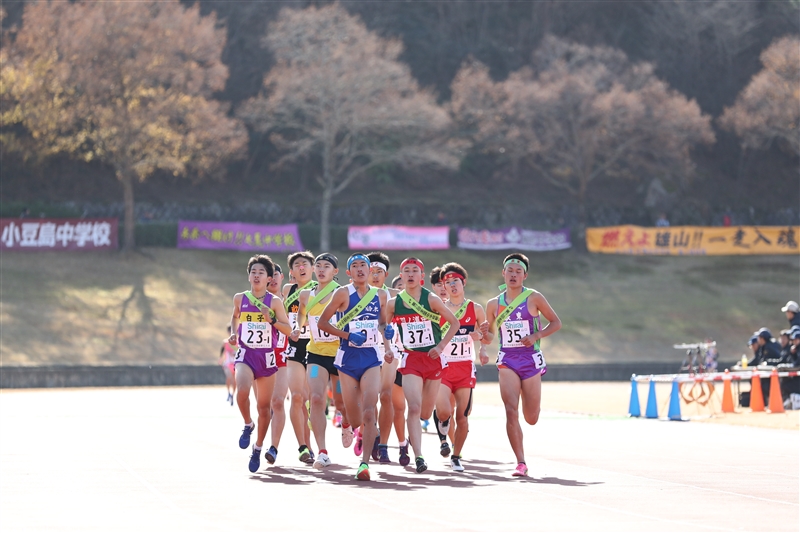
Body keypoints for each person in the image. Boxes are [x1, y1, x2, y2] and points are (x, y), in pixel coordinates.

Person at [317, 254, 394, 480]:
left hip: (371, 357)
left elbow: (382, 323)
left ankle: (364, 464)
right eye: (355, 266)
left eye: (364, 266)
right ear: (349, 272)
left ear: (370, 271)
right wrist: (347, 334)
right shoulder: (342, 293)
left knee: (370, 411)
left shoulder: (380, 295)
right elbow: (323, 323)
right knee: (357, 417)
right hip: (347, 359)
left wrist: (387, 338)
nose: (360, 269)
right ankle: (349, 423)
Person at [485, 253, 562, 477]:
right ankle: (521, 462)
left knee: (531, 417)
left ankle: (531, 412)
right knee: (511, 410)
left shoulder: (534, 298)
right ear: (503, 273)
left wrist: (537, 334)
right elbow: (490, 336)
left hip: (530, 358)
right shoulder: (493, 304)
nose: (513, 274)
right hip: (507, 359)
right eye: (510, 270)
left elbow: (556, 322)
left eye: (518, 271)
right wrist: (483, 334)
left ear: (525, 276)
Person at [386, 257, 460, 473]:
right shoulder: (394, 303)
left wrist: (441, 346)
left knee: (426, 413)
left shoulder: (433, 300)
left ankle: (420, 429)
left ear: (421, 275)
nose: (410, 274)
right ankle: (418, 455)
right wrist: (388, 346)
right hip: (410, 359)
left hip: (433, 359)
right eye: (406, 270)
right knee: (414, 407)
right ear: (401, 276)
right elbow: (384, 326)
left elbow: (454, 323)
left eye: (414, 270)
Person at [228, 255, 292, 472]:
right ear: (248, 276)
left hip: (267, 357)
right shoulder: (240, 298)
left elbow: (288, 330)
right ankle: (248, 424)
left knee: (264, 408)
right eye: (253, 272)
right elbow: (235, 317)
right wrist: (233, 334)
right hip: (246, 353)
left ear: (269, 278)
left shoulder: (275, 302)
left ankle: (258, 447)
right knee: (242, 392)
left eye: (261, 273)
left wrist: (271, 320)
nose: (256, 276)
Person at [293, 253, 349, 470]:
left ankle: (345, 422)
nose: (321, 269)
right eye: (318, 266)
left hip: (340, 355)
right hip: (316, 354)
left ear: (335, 272)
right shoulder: (305, 294)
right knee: (316, 398)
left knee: (341, 401)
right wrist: (299, 326)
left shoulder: (341, 293)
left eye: (327, 266)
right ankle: (322, 451)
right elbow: (301, 315)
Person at [432, 262, 490, 472]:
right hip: (444, 367)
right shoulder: (439, 309)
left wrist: (482, 342)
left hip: (465, 367)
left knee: (463, 416)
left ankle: (456, 456)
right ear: (443, 287)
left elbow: (488, 336)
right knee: (444, 411)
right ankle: (443, 422)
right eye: (447, 282)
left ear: (463, 282)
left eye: (455, 280)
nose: (452, 285)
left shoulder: (476, 308)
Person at [282, 251, 317, 464]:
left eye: (305, 263)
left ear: (313, 268)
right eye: (297, 265)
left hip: (316, 349)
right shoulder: (288, 290)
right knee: (297, 397)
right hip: (295, 347)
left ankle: (316, 444)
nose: (301, 267)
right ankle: (303, 447)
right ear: (292, 271)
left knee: (312, 400)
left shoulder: (320, 290)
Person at [367, 251, 401, 464]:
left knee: (386, 395)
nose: (375, 275)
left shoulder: (395, 297)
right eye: (371, 271)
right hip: (366, 350)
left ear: (386, 274)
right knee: (368, 399)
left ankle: (384, 444)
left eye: (379, 271)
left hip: (390, 350)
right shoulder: (355, 295)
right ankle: (371, 431)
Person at [265, 264, 288, 464]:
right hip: (260, 359)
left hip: (283, 359)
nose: (272, 279)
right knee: (264, 406)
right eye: (268, 275)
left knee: (278, 402)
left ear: (282, 277)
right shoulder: (257, 301)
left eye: (275, 275)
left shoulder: (291, 299)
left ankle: (274, 447)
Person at [390, 273, 410, 466]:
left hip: (417, 362)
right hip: (396, 362)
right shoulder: (390, 309)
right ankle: (403, 444)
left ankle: (414, 437)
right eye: (399, 287)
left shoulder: (423, 308)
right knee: (399, 408)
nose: (403, 290)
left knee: (417, 408)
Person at [219, 326, 237, 405]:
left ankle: (233, 395)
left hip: (236, 363)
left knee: (234, 380)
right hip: (227, 363)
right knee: (229, 377)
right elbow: (222, 350)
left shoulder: (239, 342)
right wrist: (220, 359)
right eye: (230, 332)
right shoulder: (225, 342)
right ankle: (228, 392)